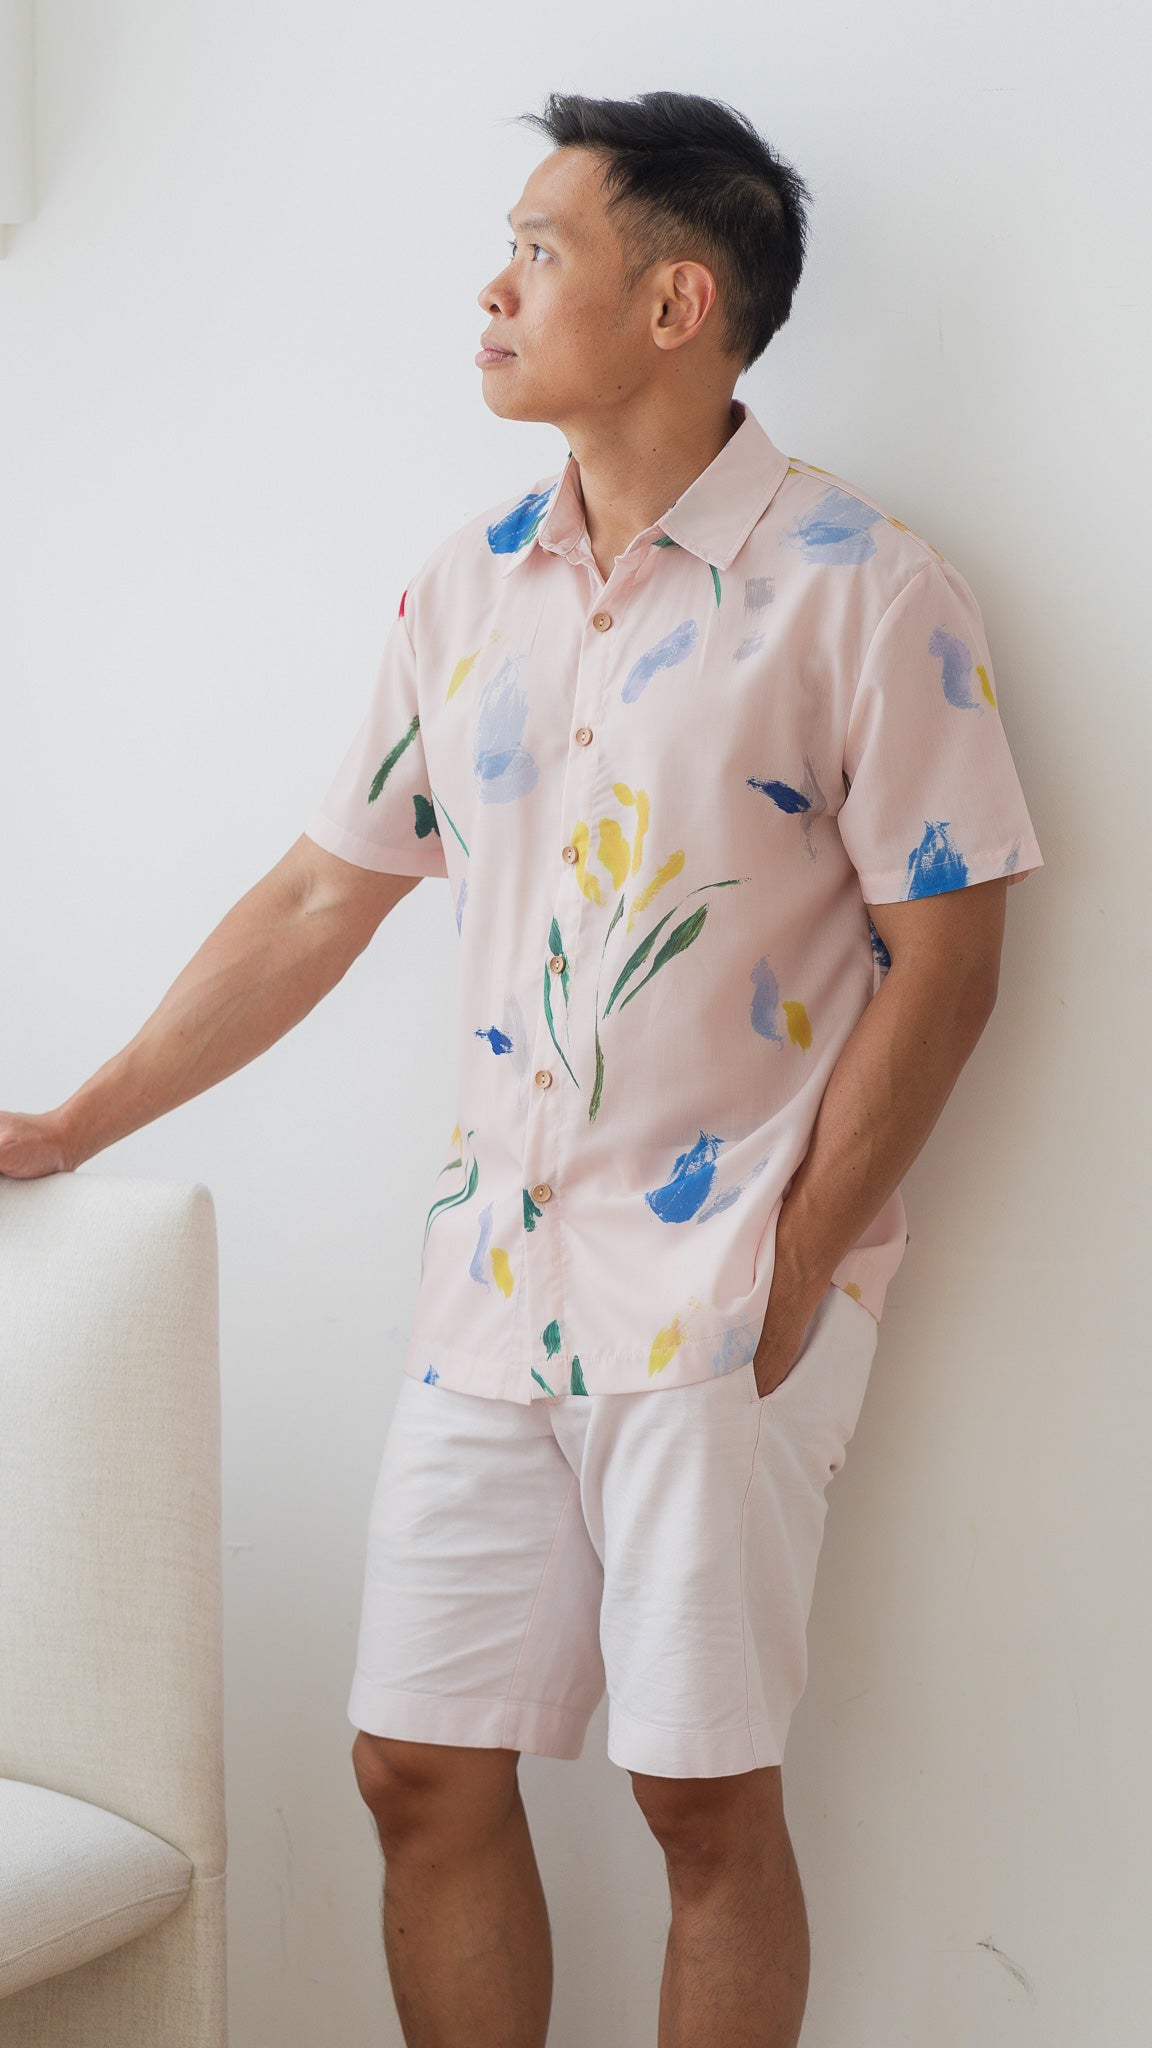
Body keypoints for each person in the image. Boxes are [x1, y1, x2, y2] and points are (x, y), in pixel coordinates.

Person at [0, 88, 1045, 2048]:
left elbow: (953, 956)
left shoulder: (866, 587)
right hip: (491, 1287)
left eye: (539, 250)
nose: (492, 289)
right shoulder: (465, 584)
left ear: (678, 301)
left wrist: (797, 1264)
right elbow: (321, 894)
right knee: (414, 1764)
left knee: (701, 1800)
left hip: (722, 1290)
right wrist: (74, 1118)